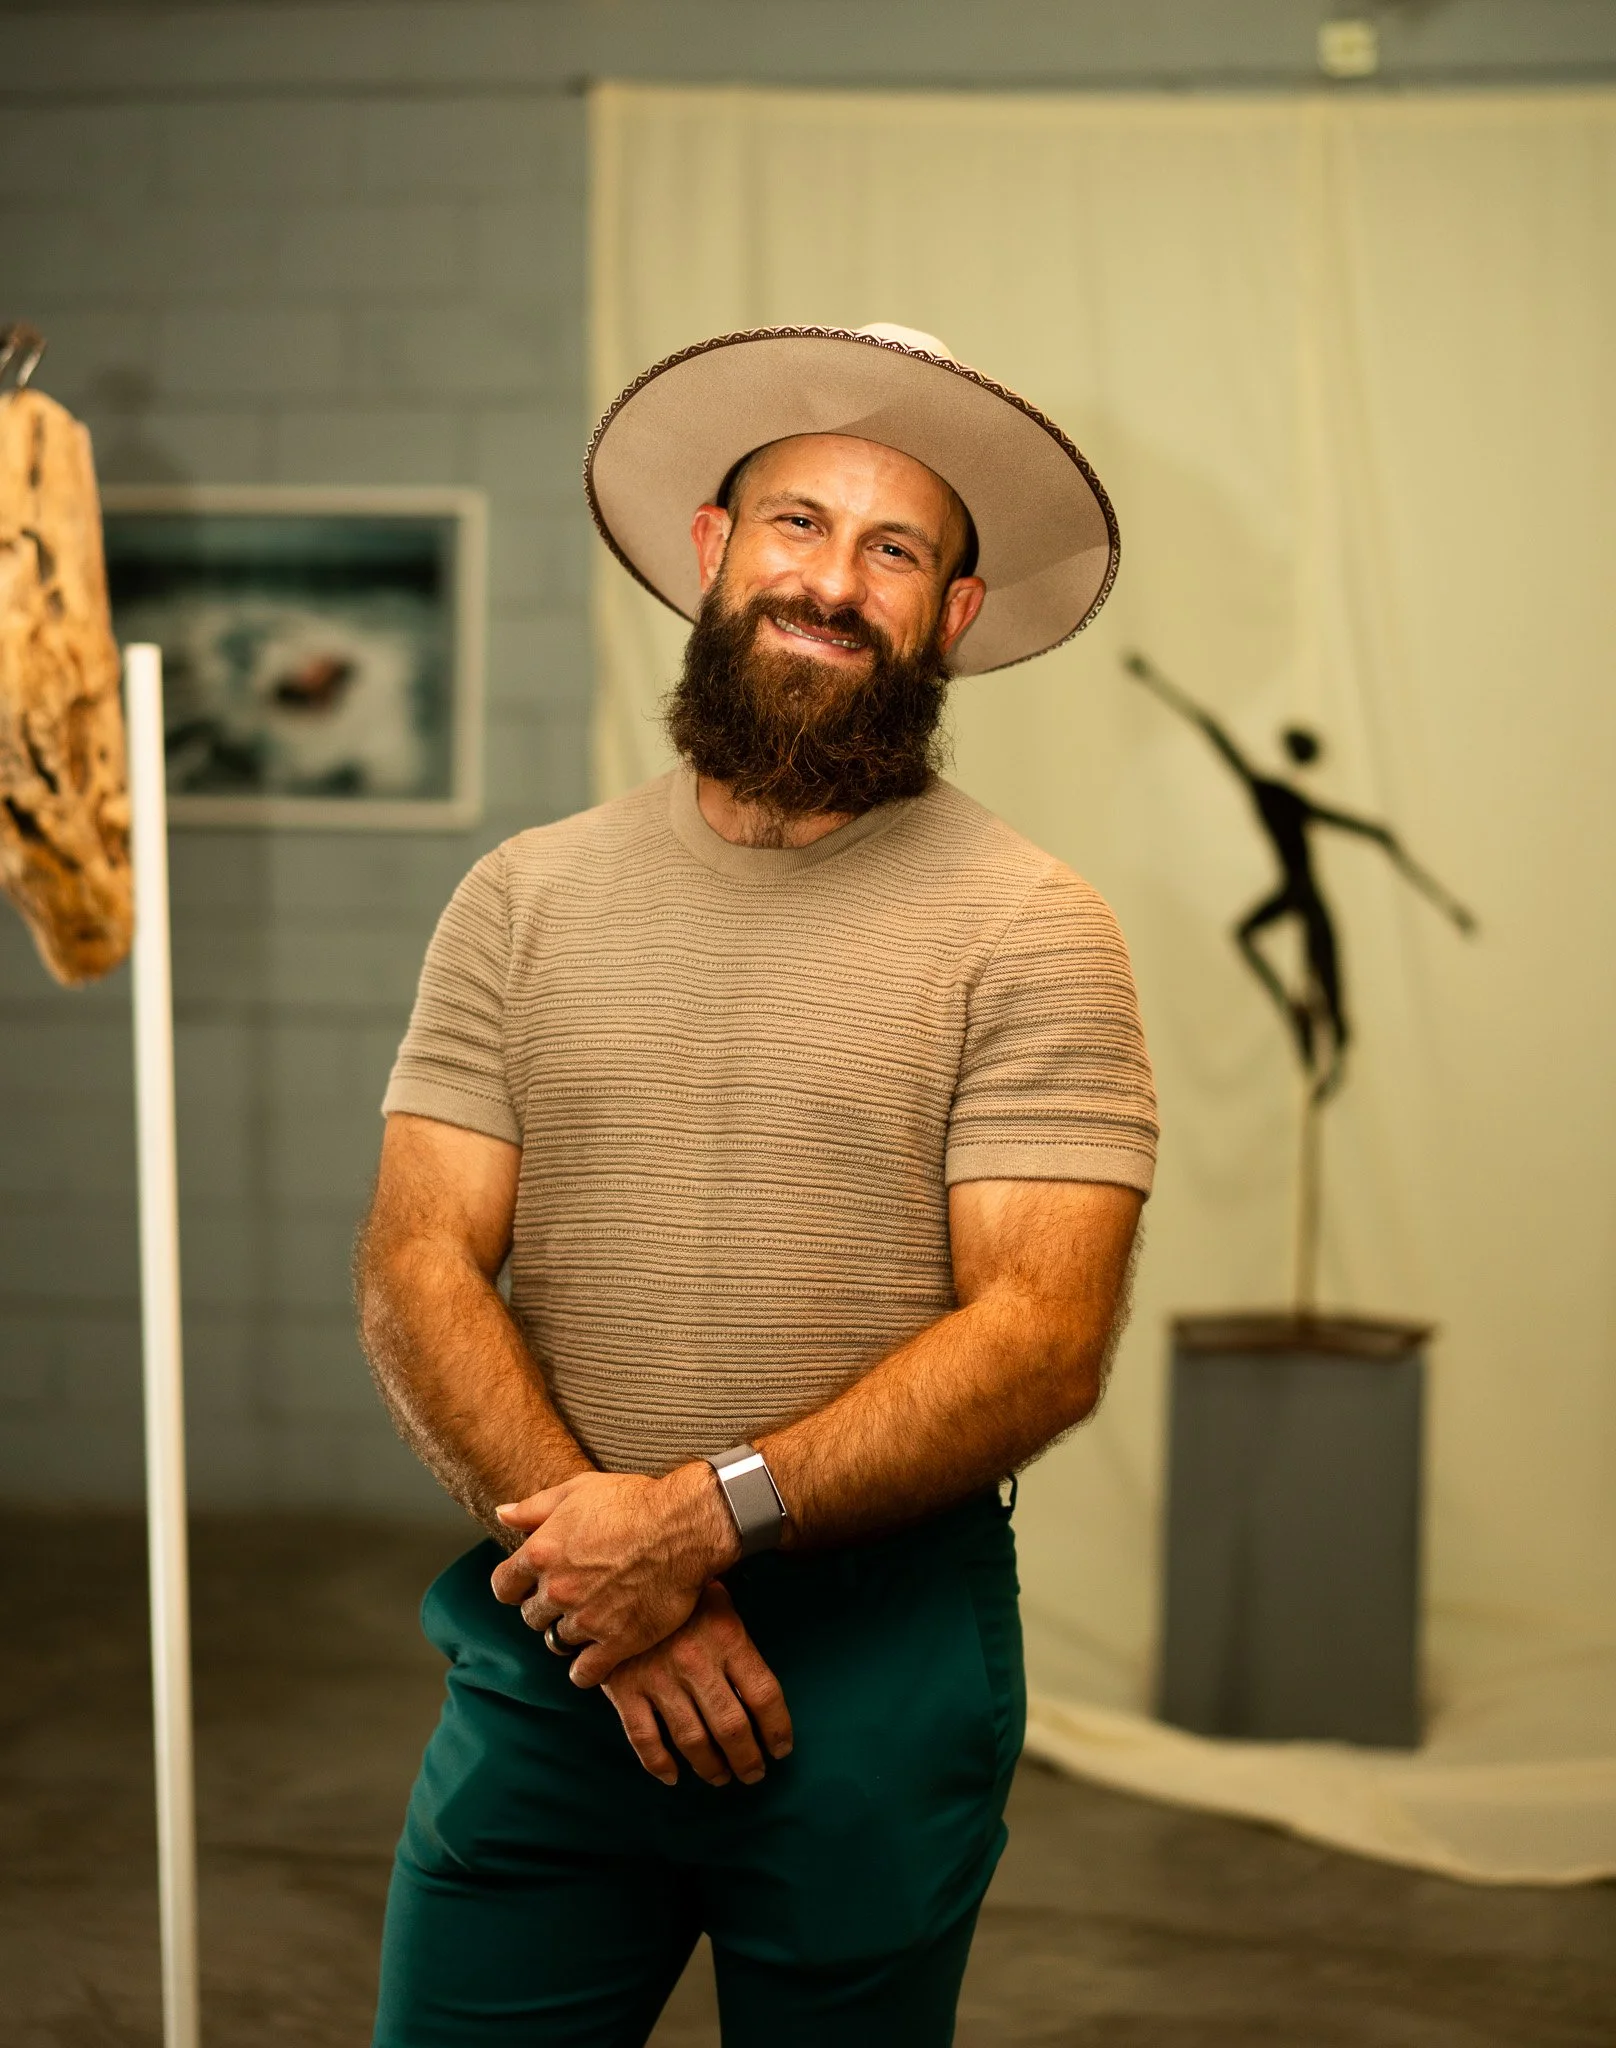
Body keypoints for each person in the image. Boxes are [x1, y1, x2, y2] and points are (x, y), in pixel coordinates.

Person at [356, 323, 1158, 2047]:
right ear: (715, 552)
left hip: (871, 1666)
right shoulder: (525, 897)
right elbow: (416, 1258)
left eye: (894, 549)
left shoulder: (1032, 924)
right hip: (553, 1636)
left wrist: (692, 1525)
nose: (833, 582)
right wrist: (612, 1584)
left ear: (951, 615)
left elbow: (1043, 1333)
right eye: (798, 523)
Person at [1123, 650, 1475, 1099]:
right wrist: (1153, 679)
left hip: (1303, 897)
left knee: (1309, 978)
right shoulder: (1279, 796)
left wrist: (1447, 904)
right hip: (1300, 893)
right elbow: (1378, 834)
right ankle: (1299, 1018)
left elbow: (1213, 731)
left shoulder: (1273, 795)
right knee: (1267, 950)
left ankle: (1310, 1033)